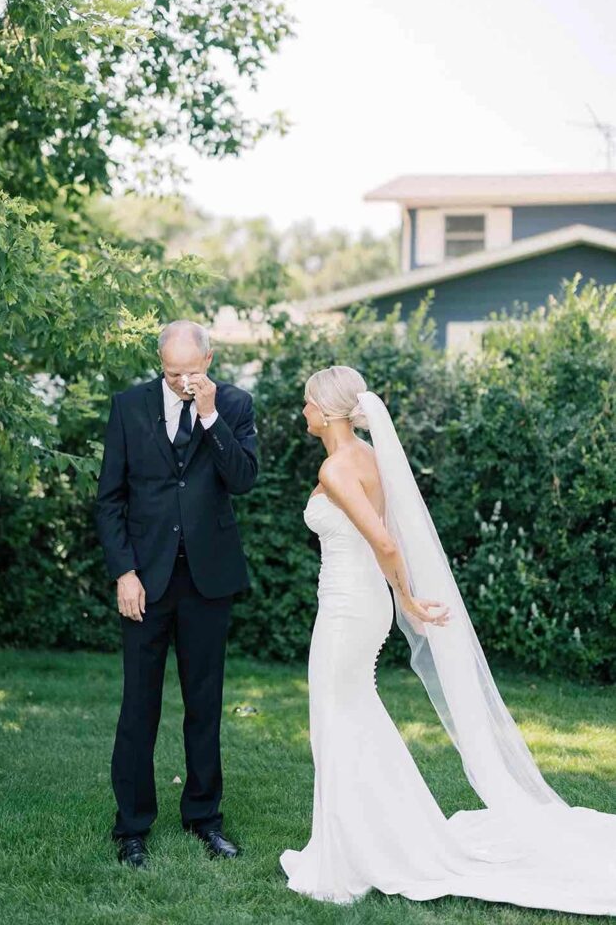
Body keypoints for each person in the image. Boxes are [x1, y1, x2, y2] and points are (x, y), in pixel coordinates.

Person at [279, 365, 616, 914]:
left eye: (308, 403)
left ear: (328, 411)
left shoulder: (339, 467)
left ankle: (351, 858)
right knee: (351, 716)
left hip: (348, 610)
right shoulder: (366, 456)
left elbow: (386, 542)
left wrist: (409, 599)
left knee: (335, 719)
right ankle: (368, 838)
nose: (304, 412)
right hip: (358, 606)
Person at [95, 320, 257, 868]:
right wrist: (124, 572)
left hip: (208, 581)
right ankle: (132, 826)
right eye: (171, 372)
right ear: (159, 364)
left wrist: (210, 416)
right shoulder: (128, 406)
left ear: (209, 360)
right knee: (138, 705)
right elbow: (110, 498)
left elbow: (243, 479)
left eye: (191, 370)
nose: (182, 381)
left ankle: (204, 818)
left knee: (204, 704)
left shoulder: (234, 405)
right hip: (146, 579)